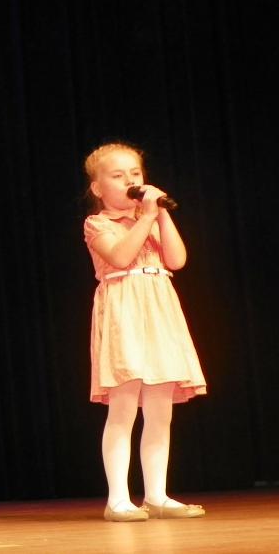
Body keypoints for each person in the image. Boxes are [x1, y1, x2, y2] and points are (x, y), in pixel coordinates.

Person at [83, 142, 207, 522]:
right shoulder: (97, 224)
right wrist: (145, 218)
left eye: (135, 174)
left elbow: (177, 260)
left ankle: (157, 495)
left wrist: (160, 214)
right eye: (117, 176)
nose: (129, 181)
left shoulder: (151, 218)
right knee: (123, 409)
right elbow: (120, 257)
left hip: (159, 307)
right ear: (97, 188)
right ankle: (118, 499)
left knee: (159, 411)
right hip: (124, 309)